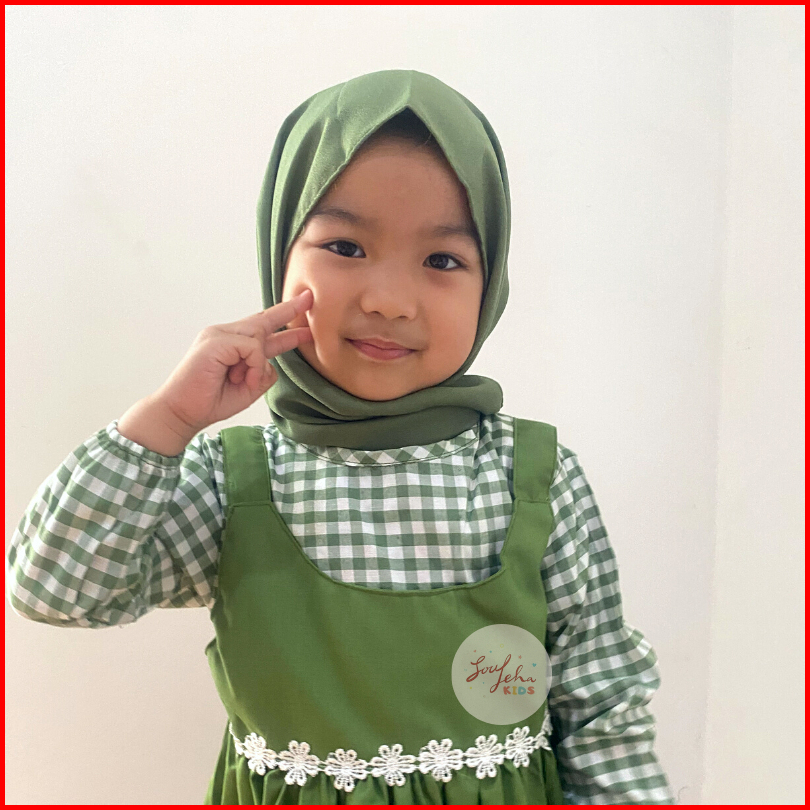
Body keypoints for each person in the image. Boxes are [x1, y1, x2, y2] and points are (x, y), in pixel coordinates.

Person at [7, 69, 675, 805]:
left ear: (492, 286)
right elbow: (56, 589)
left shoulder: (535, 480)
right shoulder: (231, 482)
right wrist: (167, 421)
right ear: (279, 256)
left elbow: (602, 704)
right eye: (346, 247)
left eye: (443, 260)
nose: (388, 301)